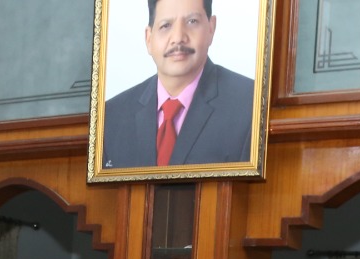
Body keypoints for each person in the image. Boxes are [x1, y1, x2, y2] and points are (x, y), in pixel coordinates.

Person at [101, 0, 255, 169]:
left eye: (192, 22)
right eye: (166, 25)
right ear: (149, 38)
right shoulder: (110, 117)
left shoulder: (251, 105)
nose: (178, 38)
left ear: (211, 28)